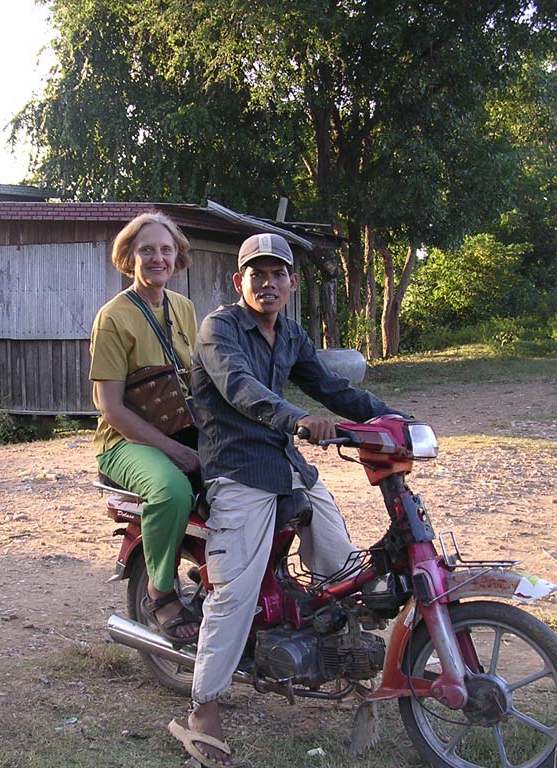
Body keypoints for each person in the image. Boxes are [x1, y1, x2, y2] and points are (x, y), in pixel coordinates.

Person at [167, 233, 397, 768]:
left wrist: (391, 418)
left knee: (342, 567)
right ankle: (204, 711)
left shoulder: (290, 334)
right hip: (238, 469)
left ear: (291, 283)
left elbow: (332, 389)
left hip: (287, 467)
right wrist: (296, 419)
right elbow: (241, 386)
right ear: (239, 281)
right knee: (235, 593)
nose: (268, 283)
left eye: (278, 275)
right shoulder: (219, 329)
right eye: (258, 274)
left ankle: (328, 649)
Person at [89, 212, 200, 643]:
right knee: (171, 490)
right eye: (147, 250)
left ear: (177, 257)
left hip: (180, 428)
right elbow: (111, 407)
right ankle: (160, 589)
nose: (158, 258)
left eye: (166, 249)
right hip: (124, 442)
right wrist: (175, 452)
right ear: (129, 258)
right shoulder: (113, 317)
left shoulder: (184, 309)